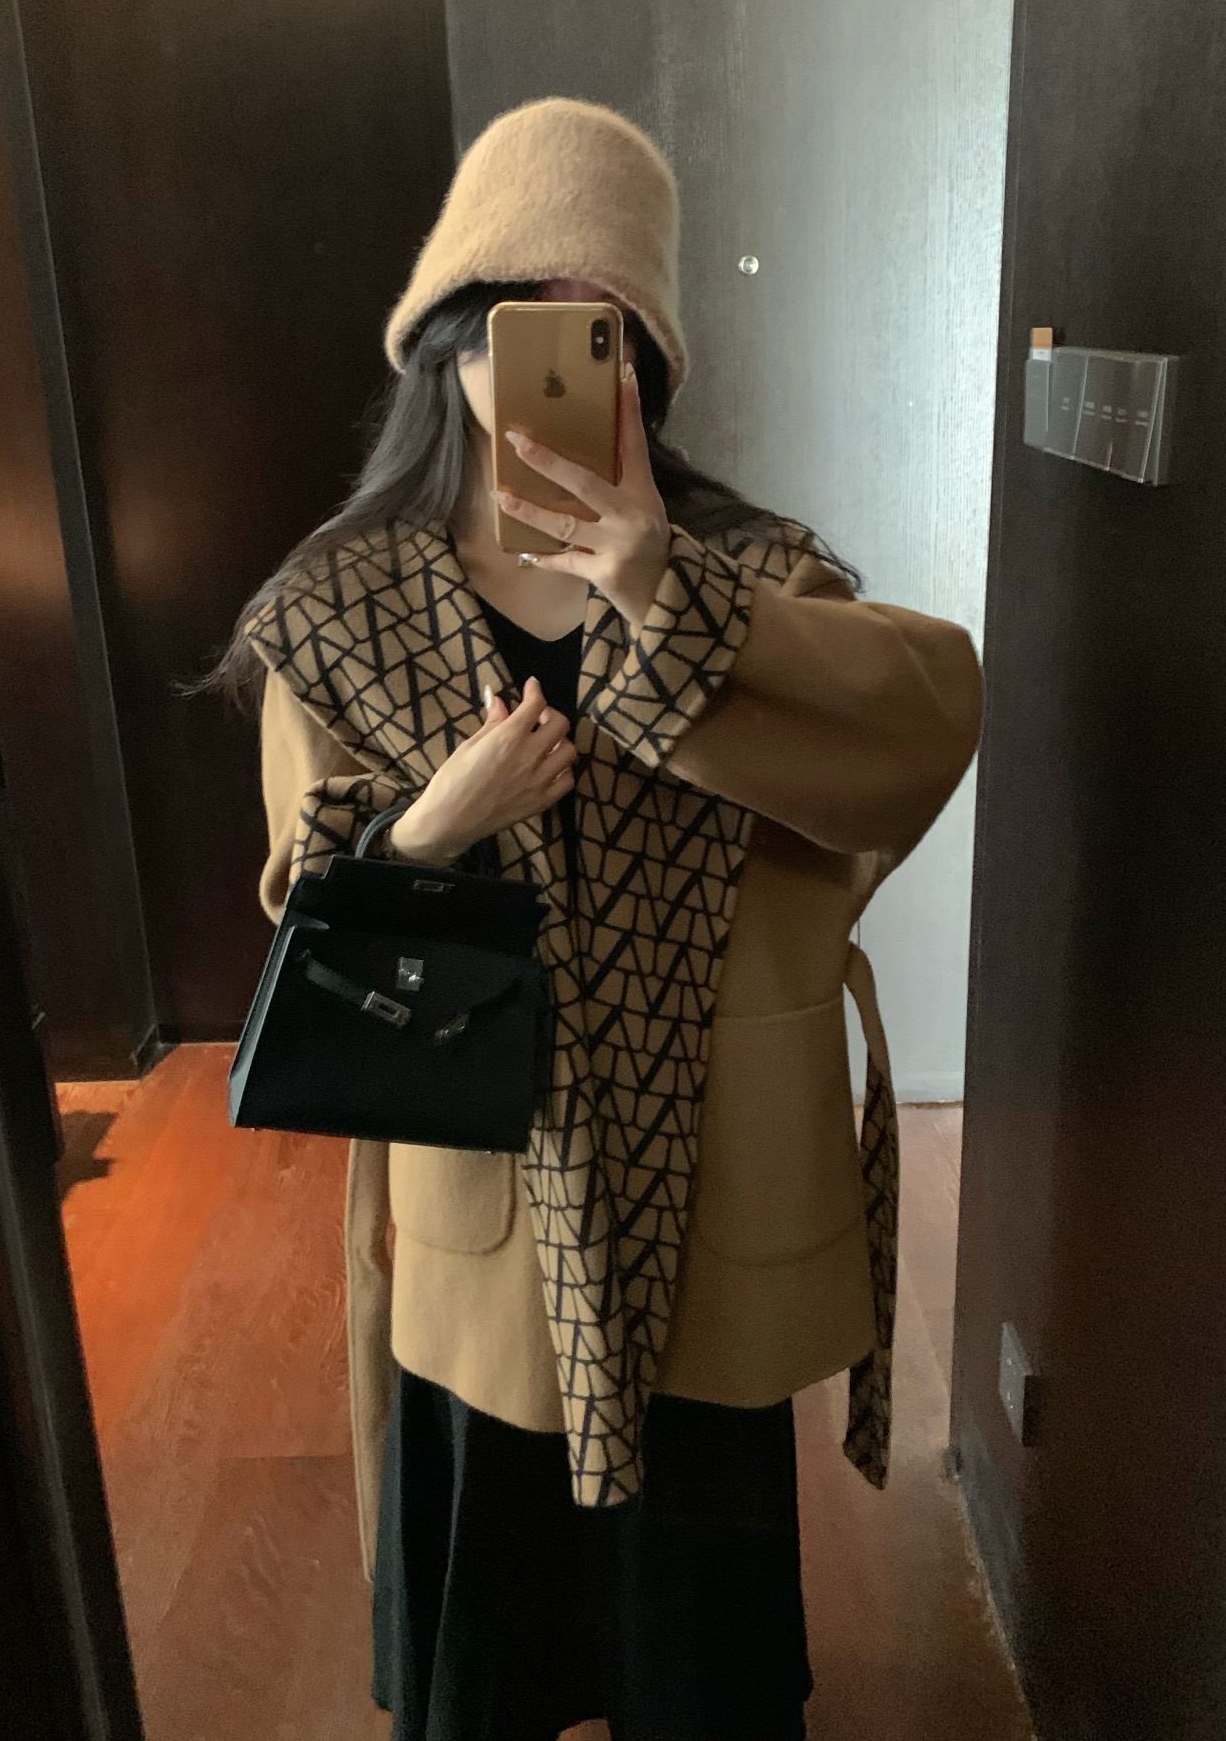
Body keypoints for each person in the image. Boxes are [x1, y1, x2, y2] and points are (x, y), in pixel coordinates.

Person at [213, 99, 982, 1741]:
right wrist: (438, 821)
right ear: (449, 348)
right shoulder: (342, 612)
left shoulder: (752, 579)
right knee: (490, 1651)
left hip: (709, 1198)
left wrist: (660, 589)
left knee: (696, 1667)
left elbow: (926, 723)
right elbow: (311, 927)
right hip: (487, 1211)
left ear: (651, 370)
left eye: (611, 334)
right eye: (528, 324)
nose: (571, 368)